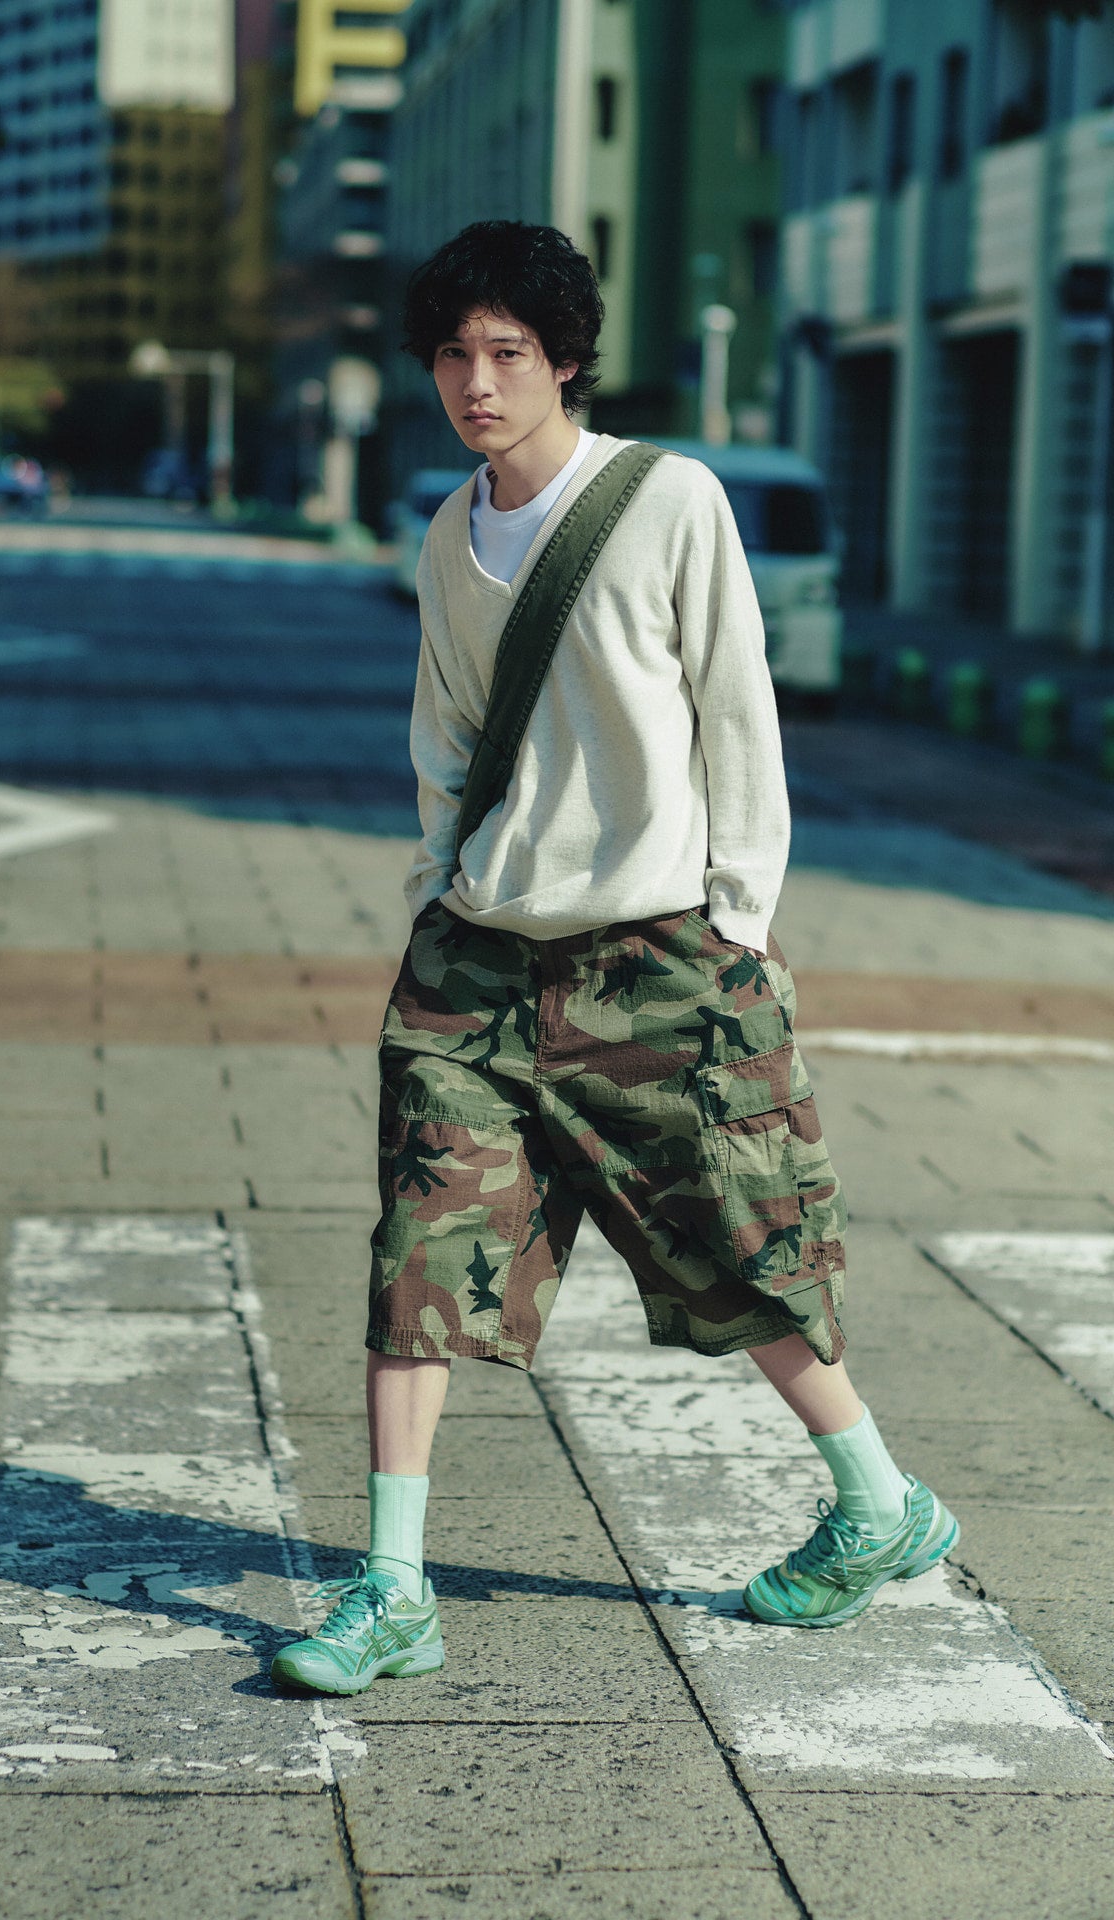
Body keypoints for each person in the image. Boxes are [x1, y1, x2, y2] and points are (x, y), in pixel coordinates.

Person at [271, 220, 958, 1697]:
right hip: (478, 962)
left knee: (736, 1242)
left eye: (507, 353)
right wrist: (434, 895)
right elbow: (446, 736)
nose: (476, 382)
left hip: (656, 955)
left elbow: (739, 714)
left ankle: (880, 1502)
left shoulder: (667, 501)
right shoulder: (447, 535)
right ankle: (392, 1587)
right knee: (421, 1256)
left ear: (567, 358)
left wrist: (741, 925)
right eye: (453, 354)